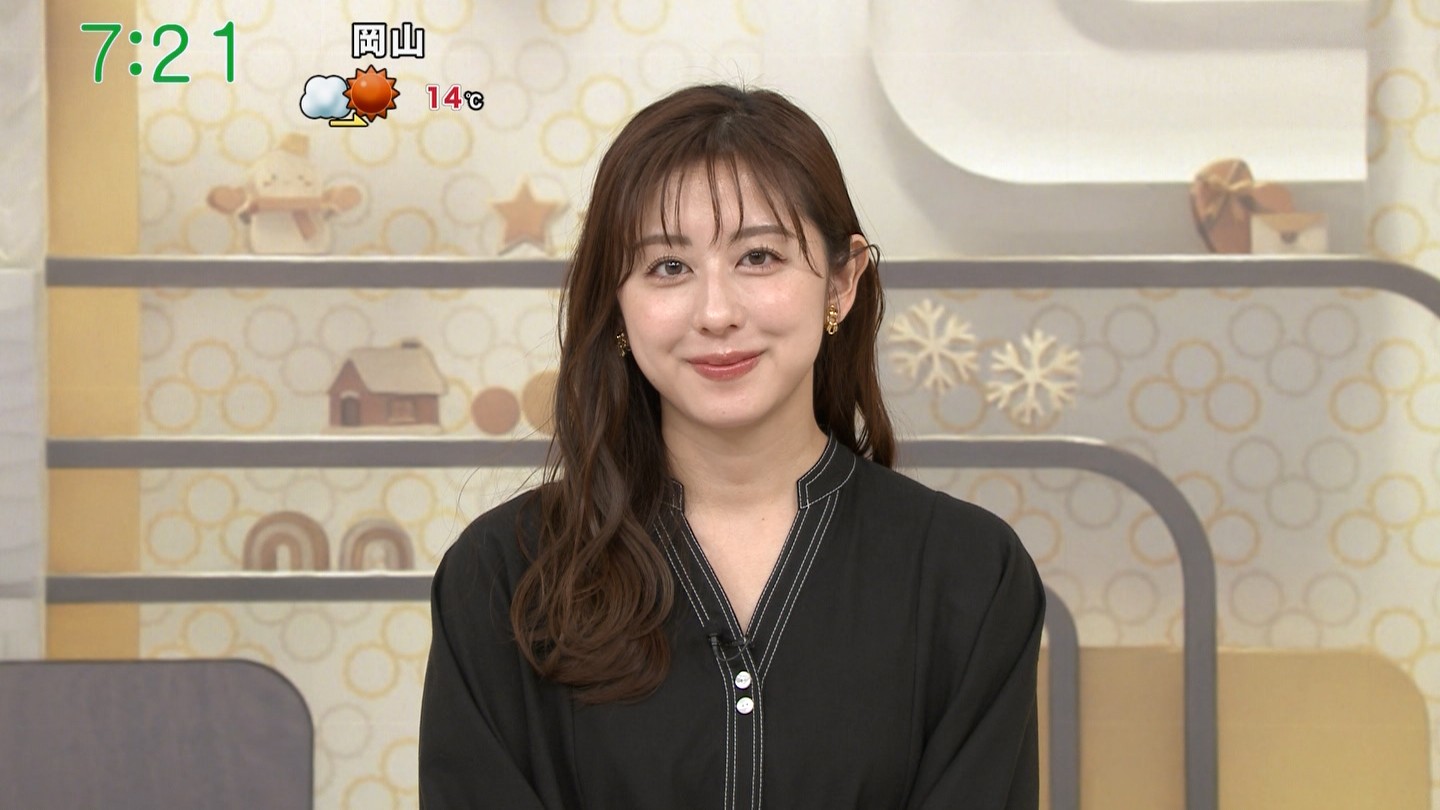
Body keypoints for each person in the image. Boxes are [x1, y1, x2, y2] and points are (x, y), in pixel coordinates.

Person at [419, 83, 1045, 809]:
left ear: (842, 282)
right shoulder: (502, 577)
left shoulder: (969, 575)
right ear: (617, 303)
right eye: (668, 267)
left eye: (759, 257)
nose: (716, 313)